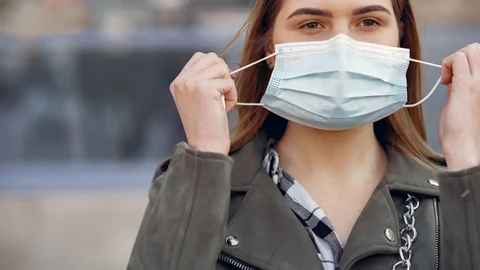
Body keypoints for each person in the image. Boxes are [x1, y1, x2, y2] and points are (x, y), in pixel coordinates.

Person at [127, 0, 480, 269]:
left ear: (400, 37)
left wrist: (467, 159)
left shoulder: (451, 193)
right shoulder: (198, 183)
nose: (342, 47)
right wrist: (205, 157)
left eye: (369, 22)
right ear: (269, 50)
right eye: (312, 24)